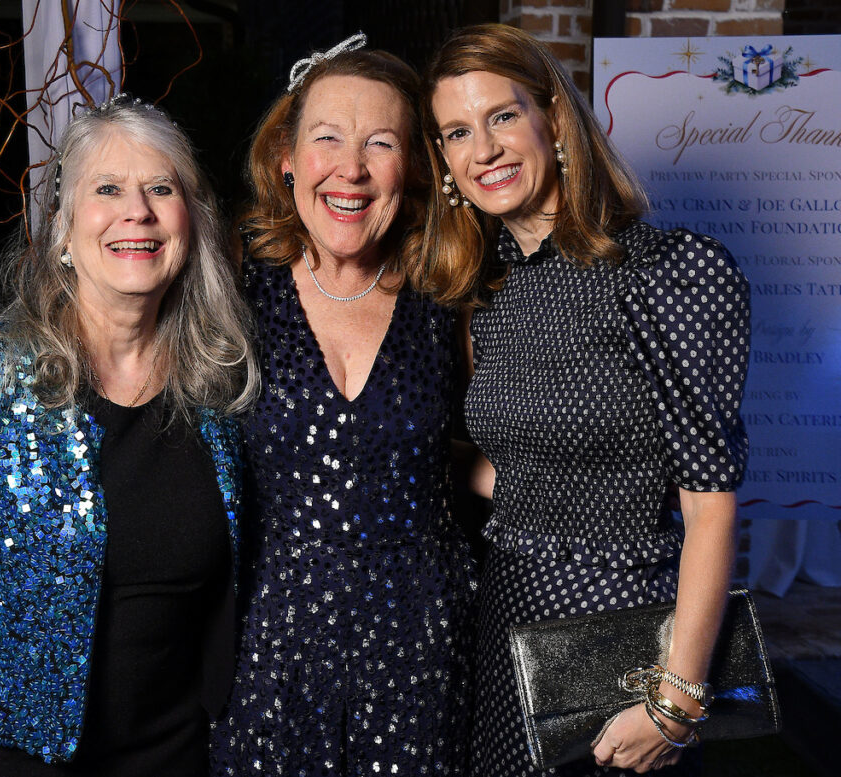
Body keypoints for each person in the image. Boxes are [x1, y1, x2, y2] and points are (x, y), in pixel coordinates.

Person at [0, 95, 258, 777]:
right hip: (0, 757)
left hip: (174, 757)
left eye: (160, 188)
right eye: (107, 188)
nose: (137, 209)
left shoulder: (219, 390)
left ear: (190, 224)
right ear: (65, 233)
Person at [420, 24, 750, 777]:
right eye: (458, 132)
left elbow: (711, 507)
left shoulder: (671, 273)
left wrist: (676, 699)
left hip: (623, 637)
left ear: (553, 119)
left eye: (504, 116)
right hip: (504, 629)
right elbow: (511, 470)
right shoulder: (485, 294)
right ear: (444, 162)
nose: (486, 150)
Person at [210, 35, 475, 776]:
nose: (350, 169)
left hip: (423, 653)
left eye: (380, 143)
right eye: (327, 138)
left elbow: (494, 450)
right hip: (270, 655)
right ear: (287, 156)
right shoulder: (234, 292)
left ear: (415, 168)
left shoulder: (450, 296)